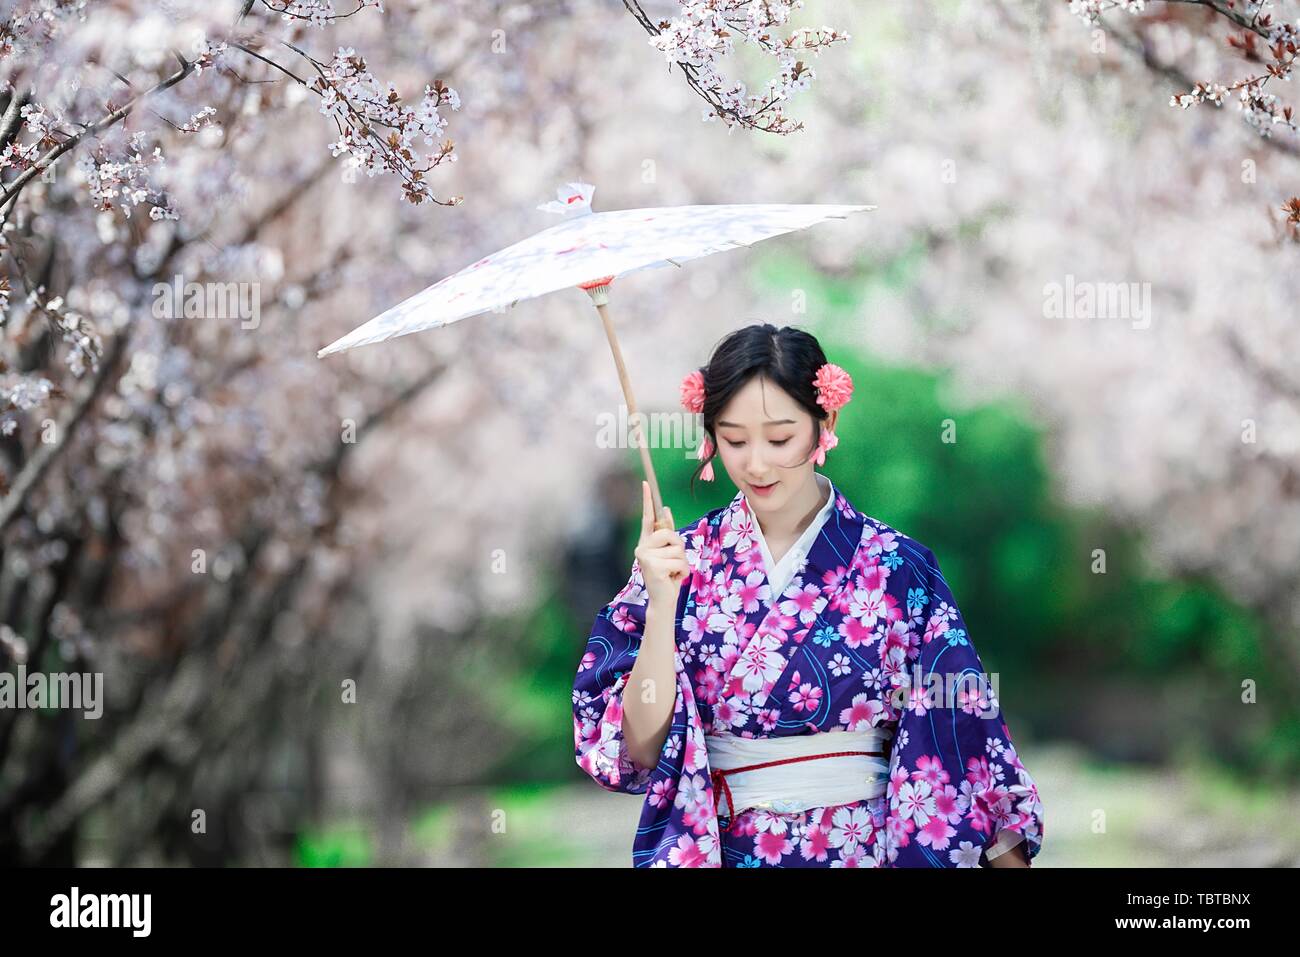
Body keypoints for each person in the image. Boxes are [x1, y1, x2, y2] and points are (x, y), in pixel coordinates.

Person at [571, 323, 1045, 868]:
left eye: (779, 439)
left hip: (857, 848)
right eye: (733, 439)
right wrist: (659, 605)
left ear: (826, 423)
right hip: (728, 849)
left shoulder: (897, 568)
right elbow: (640, 750)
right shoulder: (679, 562)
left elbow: (963, 736)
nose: (755, 464)